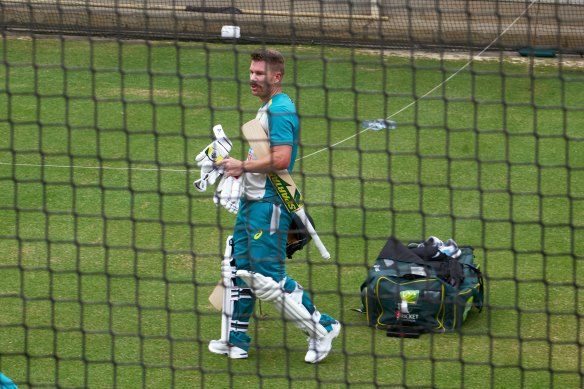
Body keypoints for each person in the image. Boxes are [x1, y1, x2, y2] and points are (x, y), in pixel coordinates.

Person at [210, 48, 341, 364]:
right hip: (251, 202)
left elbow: (282, 159)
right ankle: (236, 339)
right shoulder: (266, 109)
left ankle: (323, 328)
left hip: (270, 206)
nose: (252, 78)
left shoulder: (281, 110)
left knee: (267, 277)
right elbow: (262, 155)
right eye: (251, 72)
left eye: (259, 74)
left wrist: (243, 165)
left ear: (276, 76)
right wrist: (235, 169)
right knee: (239, 269)